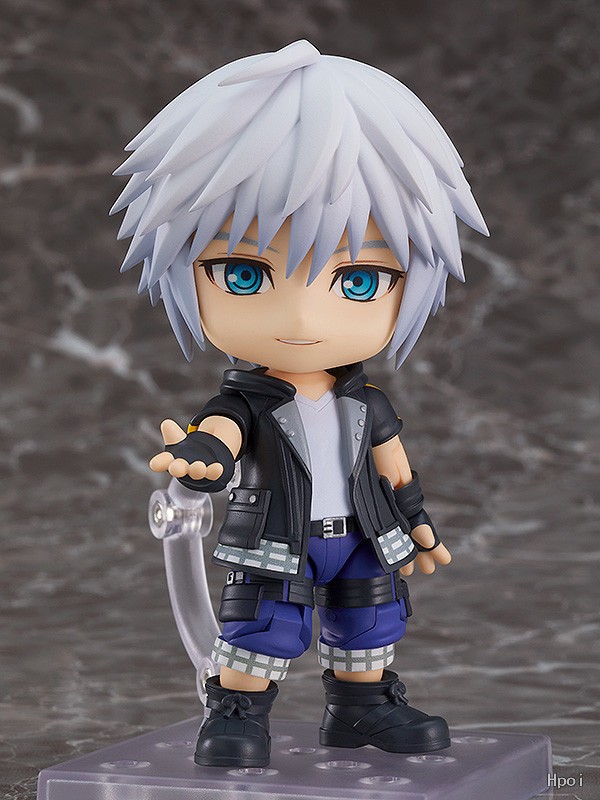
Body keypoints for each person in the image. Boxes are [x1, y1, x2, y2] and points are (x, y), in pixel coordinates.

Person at [111, 39, 488, 768]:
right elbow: (221, 432)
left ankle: (361, 709)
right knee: (264, 629)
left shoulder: (366, 402)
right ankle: (237, 715)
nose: (304, 319)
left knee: (371, 623)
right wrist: (204, 457)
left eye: (358, 281)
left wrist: (417, 521)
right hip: (275, 536)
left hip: (365, 534)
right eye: (244, 275)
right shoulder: (247, 401)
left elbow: (395, 468)